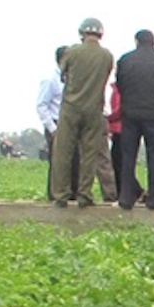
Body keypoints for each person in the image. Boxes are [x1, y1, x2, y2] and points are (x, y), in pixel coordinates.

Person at [53, 18, 114, 208]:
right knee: (90, 153)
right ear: (100, 34)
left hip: (71, 107)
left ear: (82, 33)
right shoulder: (107, 56)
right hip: (95, 108)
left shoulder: (71, 52)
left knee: (63, 151)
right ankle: (84, 194)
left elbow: (62, 75)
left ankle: (61, 194)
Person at [115, 29, 154, 210]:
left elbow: (120, 85)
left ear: (136, 41)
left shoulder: (125, 60)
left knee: (128, 156)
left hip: (130, 114)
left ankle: (126, 196)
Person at [37, 45, 72, 201]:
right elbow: (41, 105)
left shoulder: (72, 79)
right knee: (57, 161)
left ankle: (70, 193)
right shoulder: (50, 80)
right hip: (56, 122)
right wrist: (52, 128)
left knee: (71, 160)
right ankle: (54, 195)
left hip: (69, 122)